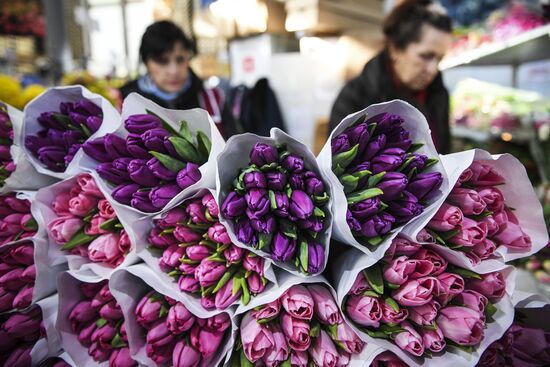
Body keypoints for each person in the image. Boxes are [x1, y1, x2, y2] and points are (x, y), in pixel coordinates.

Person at [329, 0, 453, 153]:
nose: (433, 69)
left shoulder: (438, 94)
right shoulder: (355, 97)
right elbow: (337, 163)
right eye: (426, 56)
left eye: (439, 59)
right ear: (395, 49)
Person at [120, 21, 226, 136]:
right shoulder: (123, 104)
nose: (173, 71)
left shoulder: (213, 100)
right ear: (146, 63)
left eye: (180, 59)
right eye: (162, 61)